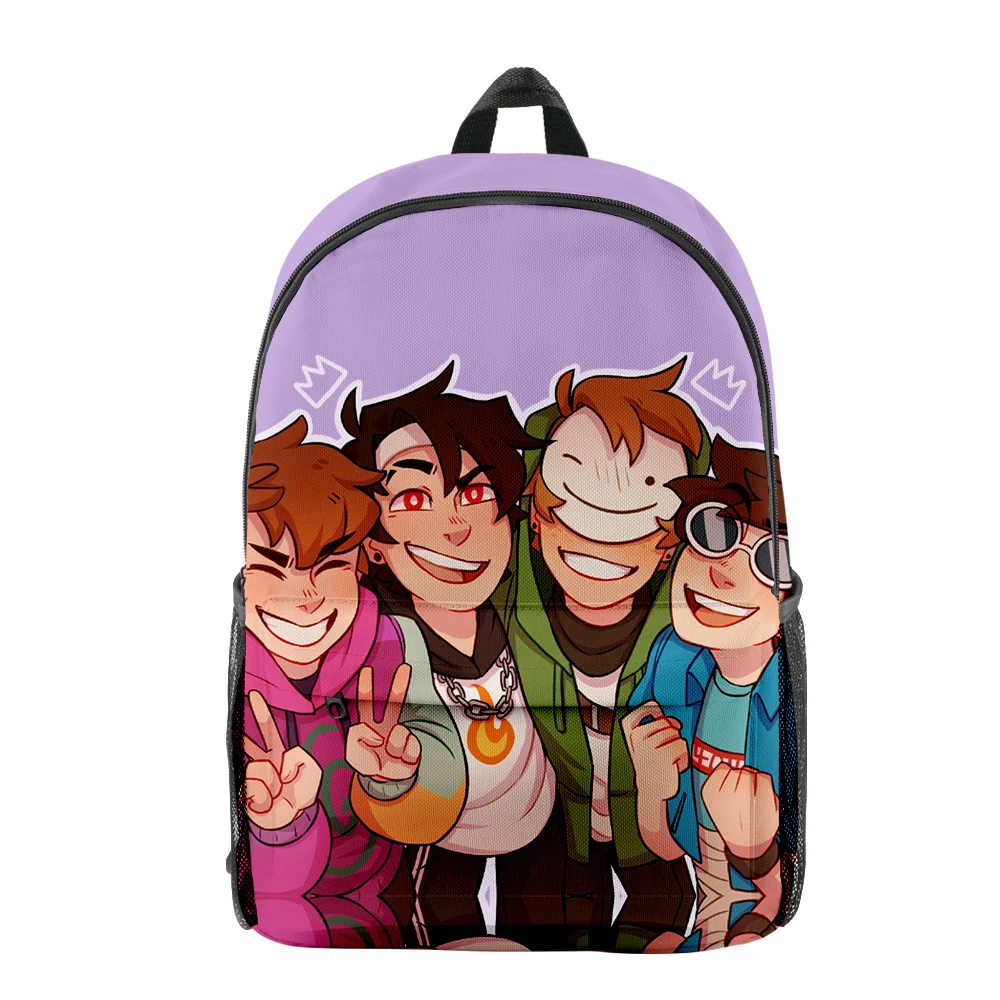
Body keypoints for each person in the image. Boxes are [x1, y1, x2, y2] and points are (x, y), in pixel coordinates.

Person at [341, 363, 563, 948]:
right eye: (415, 498)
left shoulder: (521, 609)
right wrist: (391, 777)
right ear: (373, 544)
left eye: (477, 491)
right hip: (439, 840)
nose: (456, 525)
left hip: (538, 823)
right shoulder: (385, 644)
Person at [501, 360, 709, 950]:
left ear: (668, 546)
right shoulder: (514, 596)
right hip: (548, 835)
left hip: (655, 836)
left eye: (633, 529)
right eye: (573, 515)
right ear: (537, 521)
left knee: (665, 925)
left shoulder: (686, 628)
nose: (600, 542)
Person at [241, 415, 461, 947]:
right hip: (294, 919)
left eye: (330, 565)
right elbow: (281, 891)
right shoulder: (241, 668)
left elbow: (440, 803)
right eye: (272, 568)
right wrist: (281, 824)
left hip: (391, 909)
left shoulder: (392, 643)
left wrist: (397, 779)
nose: (306, 597)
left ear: (360, 562)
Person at [625, 436, 794, 949]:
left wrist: (756, 850)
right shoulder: (674, 660)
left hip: (751, 923)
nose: (722, 574)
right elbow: (667, 845)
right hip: (701, 910)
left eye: (765, 560)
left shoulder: (784, 694)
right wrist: (651, 790)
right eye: (711, 534)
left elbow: (774, 896)